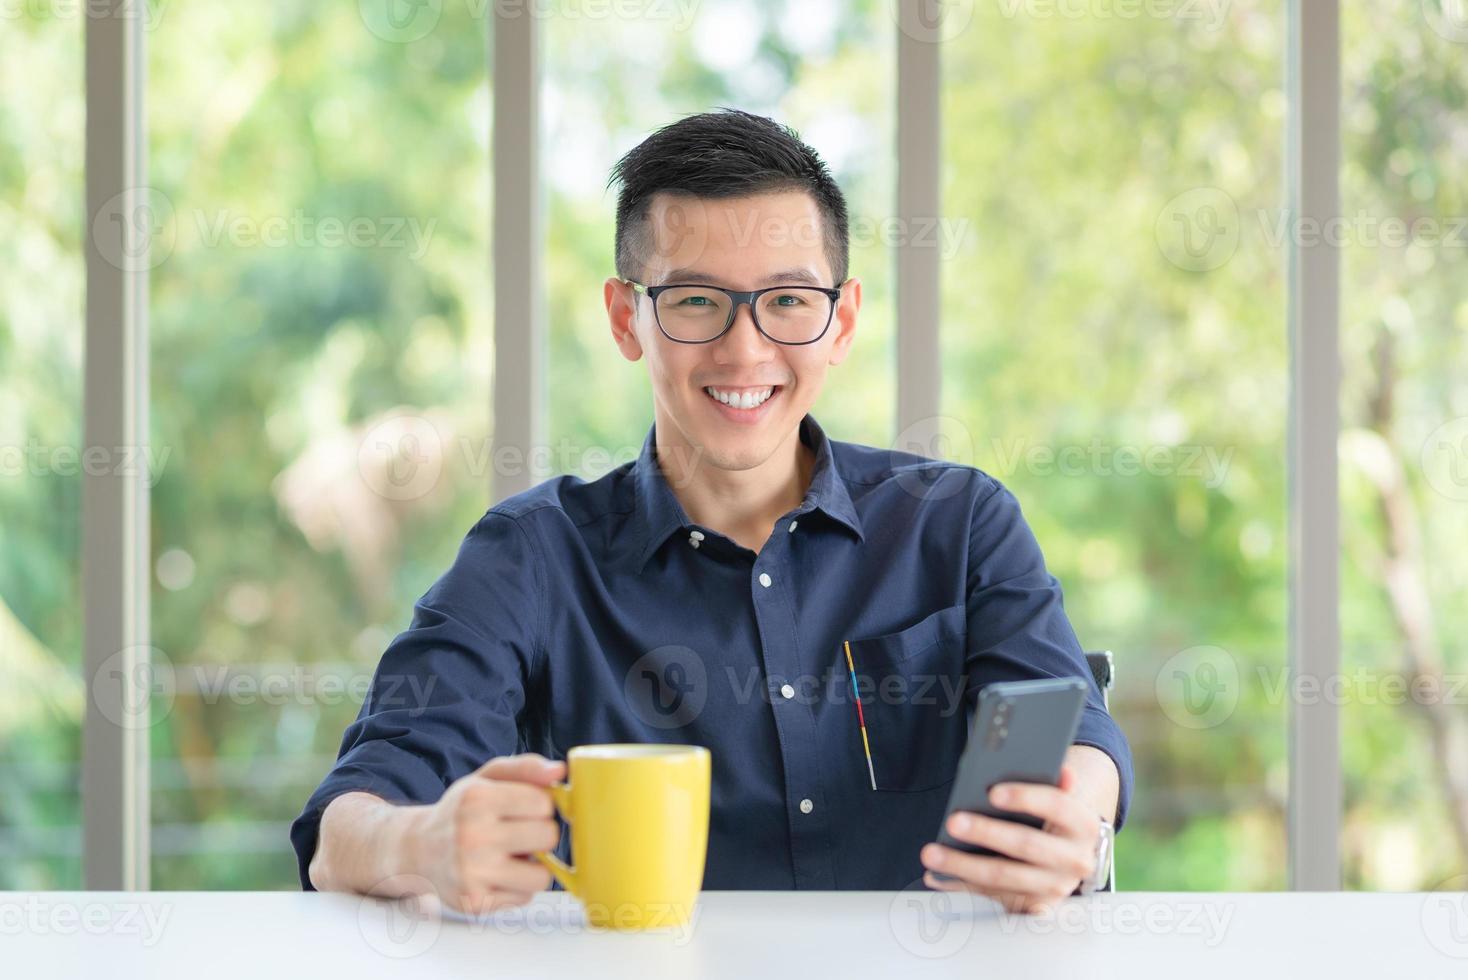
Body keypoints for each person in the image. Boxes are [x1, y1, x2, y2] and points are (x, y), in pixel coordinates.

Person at [293, 108, 1132, 916]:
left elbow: (1073, 735)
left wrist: (1079, 825)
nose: (745, 349)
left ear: (841, 322)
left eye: (789, 301)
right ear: (628, 319)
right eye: (695, 300)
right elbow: (344, 831)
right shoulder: (531, 557)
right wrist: (423, 842)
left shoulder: (958, 525)